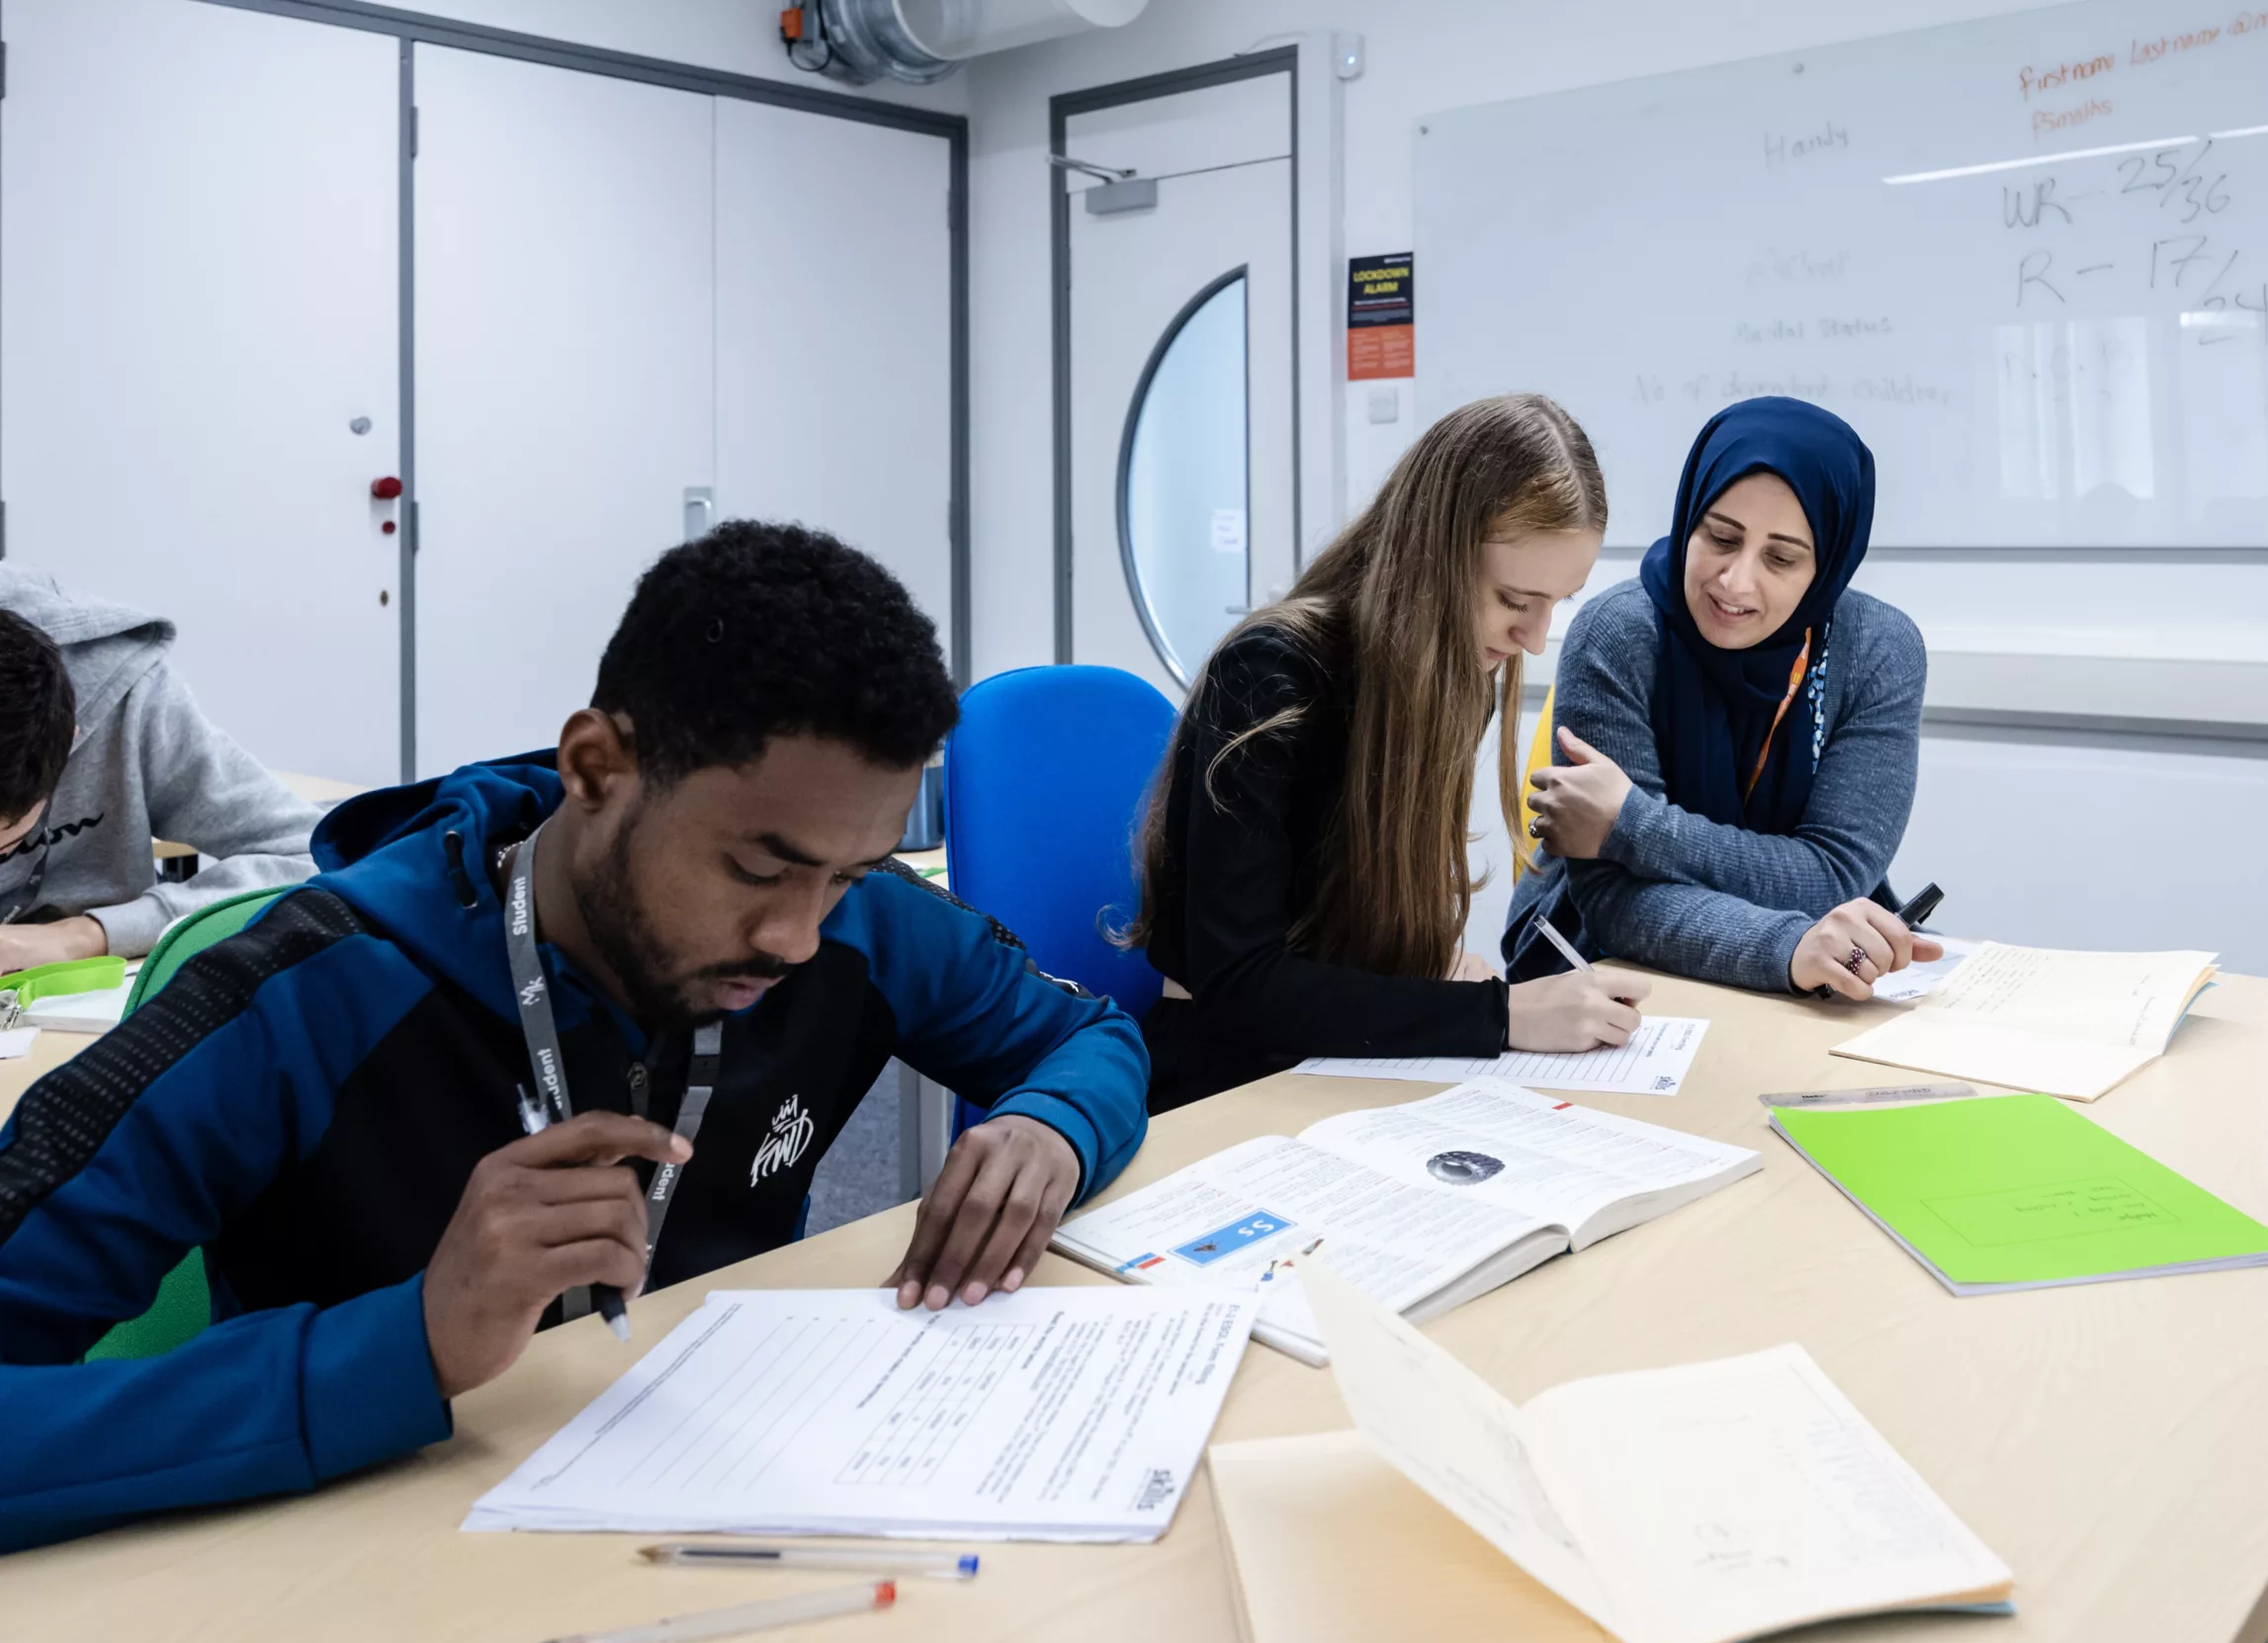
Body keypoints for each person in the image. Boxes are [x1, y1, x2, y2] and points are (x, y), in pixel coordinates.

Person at [0, 522, 1149, 1554]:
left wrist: (1052, 1125)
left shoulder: (862, 925)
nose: (796, 935)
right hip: (371, 1561)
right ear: (595, 767)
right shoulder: (302, 994)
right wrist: (407, 1345)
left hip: (731, 1513)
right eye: (756, 868)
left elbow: (1089, 1038)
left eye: (844, 874)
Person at [1132, 393, 1644, 1114]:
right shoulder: (1271, 674)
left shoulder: (1460, 675)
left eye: (1555, 603)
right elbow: (1243, 986)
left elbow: (1345, 907)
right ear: (1433, 554)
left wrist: (1430, 970)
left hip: (1349, 1062)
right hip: (1226, 1081)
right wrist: (1504, 1015)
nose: (1533, 637)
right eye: (1512, 598)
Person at [1508, 396, 1940, 999]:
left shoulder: (1879, 651)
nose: (1736, 582)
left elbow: (1835, 875)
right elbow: (1613, 902)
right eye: (1720, 537)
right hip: (1612, 972)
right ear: (1690, 517)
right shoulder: (1617, 635)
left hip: (1821, 966)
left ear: (1829, 566)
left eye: (1781, 558)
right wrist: (1787, 947)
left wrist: (1632, 824)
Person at [0, 572, 320, 966]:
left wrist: (86, 935)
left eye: (5, 847)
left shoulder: (133, 701)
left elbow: (315, 853)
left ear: (69, 743)